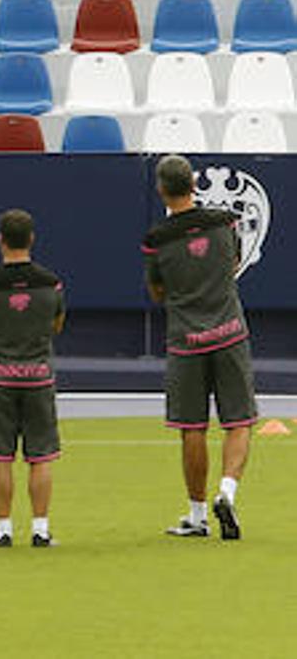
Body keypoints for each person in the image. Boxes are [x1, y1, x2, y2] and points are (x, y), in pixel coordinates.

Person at [147, 155, 257, 540]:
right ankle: (226, 491)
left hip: (186, 341)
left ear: (161, 189)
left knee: (192, 427)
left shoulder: (156, 241)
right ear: (194, 185)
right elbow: (234, 264)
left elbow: (157, 291)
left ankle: (197, 516)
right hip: (229, 332)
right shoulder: (225, 223)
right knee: (239, 421)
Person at [0, 210, 65, 548]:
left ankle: (3, 530)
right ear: (31, 239)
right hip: (38, 376)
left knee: (0, 456)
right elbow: (56, 323)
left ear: (0, 240)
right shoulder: (49, 282)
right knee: (40, 456)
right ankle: (40, 528)